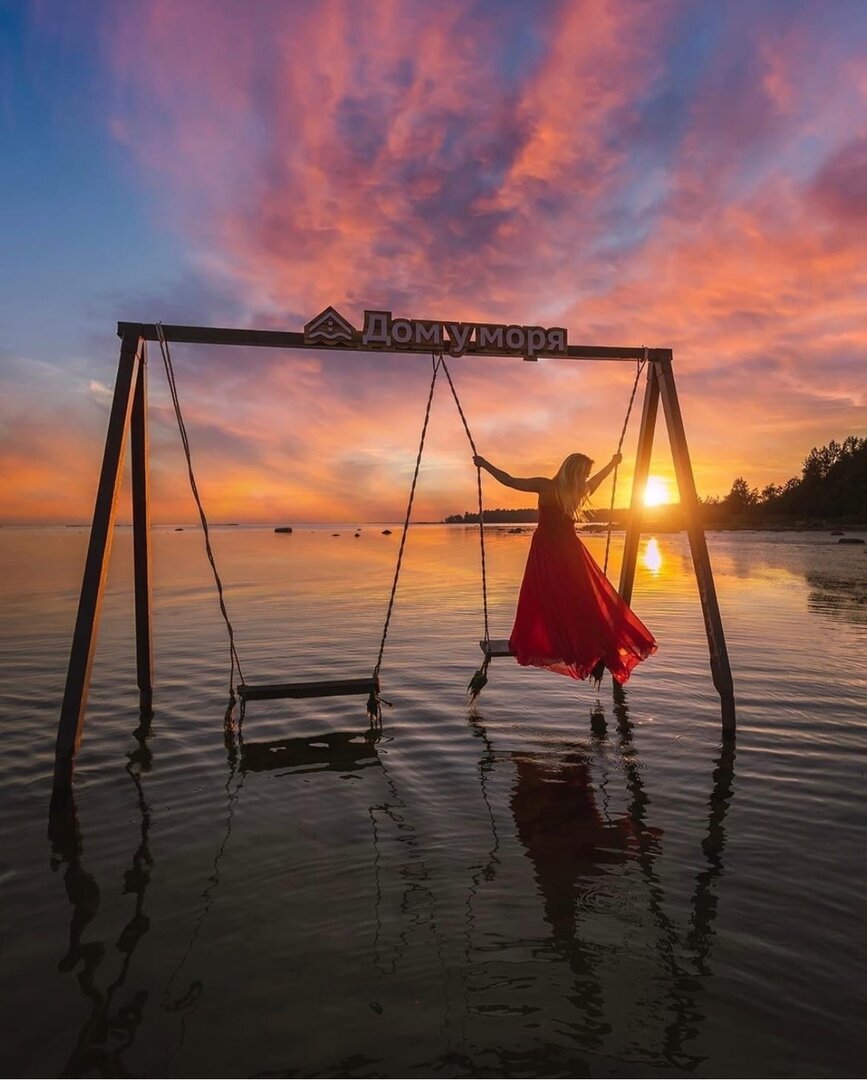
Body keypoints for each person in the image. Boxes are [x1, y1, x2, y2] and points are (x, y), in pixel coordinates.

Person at [473, 451, 657, 684]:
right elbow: (597, 480)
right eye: (584, 473)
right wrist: (611, 463)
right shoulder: (576, 491)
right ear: (574, 472)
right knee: (579, 596)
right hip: (568, 550)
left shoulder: (547, 486)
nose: (585, 478)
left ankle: (561, 641)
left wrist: (483, 463)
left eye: (586, 475)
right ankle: (580, 642)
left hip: (548, 549)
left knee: (547, 595)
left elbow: (509, 480)